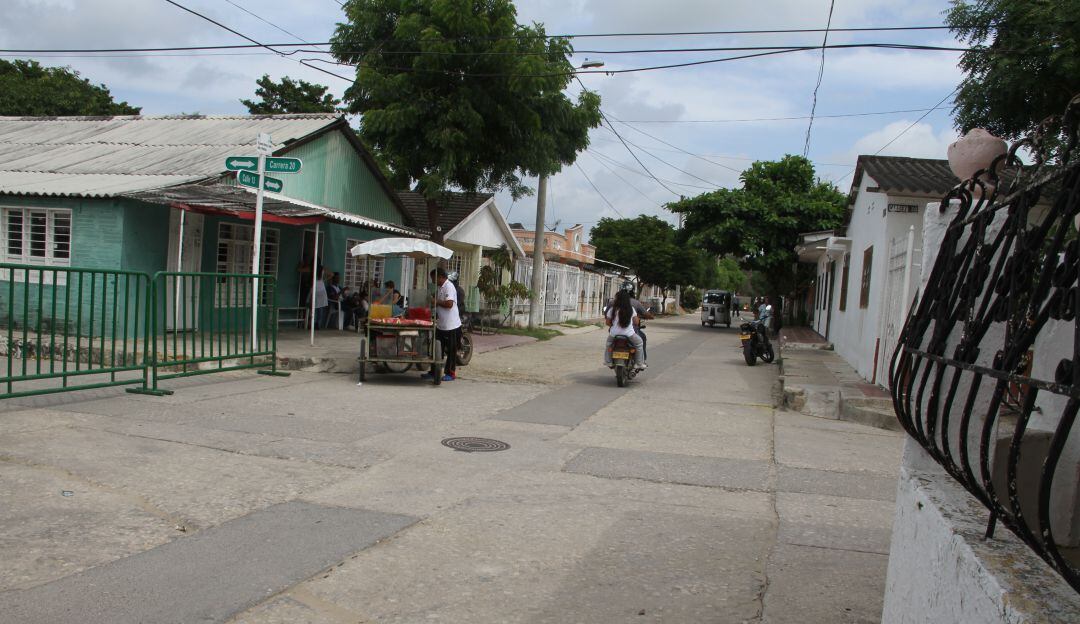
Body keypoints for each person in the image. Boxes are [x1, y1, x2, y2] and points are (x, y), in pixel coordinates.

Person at [424, 267, 461, 382]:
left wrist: (436, 302)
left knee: (451, 350)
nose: (432, 281)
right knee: (436, 348)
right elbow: (437, 303)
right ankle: (433, 371)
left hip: (451, 325)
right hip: (441, 324)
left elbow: (449, 304)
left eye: (433, 278)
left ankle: (450, 373)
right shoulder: (440, 288)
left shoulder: (449, 287)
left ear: (440, 277)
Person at [604, 290, 645, 370]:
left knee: (609, 345)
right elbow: (636, 322)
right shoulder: (631, 309)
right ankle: (638, 363)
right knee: (639, 343)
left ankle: (608, 361)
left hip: (614, 334)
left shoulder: (612, 309)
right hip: (629, 334)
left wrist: (613, 326)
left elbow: (608, 322)